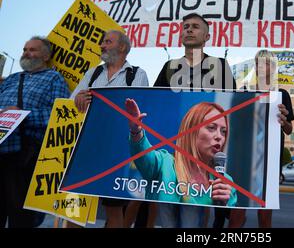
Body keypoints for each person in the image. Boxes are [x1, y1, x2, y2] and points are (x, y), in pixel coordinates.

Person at [153, 13, 237, 228]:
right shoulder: (169, 66)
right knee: (167, 216)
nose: (189, 29)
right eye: (186, 26)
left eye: (195, 27)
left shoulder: (219, 65)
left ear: (207, 36)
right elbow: (155, 101)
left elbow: (233, 104)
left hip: (200, 158)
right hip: (172, 150)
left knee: (193, 218)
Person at [71, 29, 149, 228]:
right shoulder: (93, 72)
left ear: (122, 47)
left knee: (114, 208)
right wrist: (79, 98)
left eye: (107, 41)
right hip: (86, 148)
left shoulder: (138, 74)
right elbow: (73, 102)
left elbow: (139, 110)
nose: (102, 45)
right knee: (74, 206)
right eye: (102, 41)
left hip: (117, 151)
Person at [125, 99, 237, 227]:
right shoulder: (165, 164)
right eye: (211, 128)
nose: (219, 137)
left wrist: (227, 204)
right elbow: (144, 156)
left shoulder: (225, 182)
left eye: (223, 131)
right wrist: (136, 131)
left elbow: (237, 218)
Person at [0, 36, 70, 228]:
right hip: (2, 147)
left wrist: (22, 115)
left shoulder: (54, 79)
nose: (26, 53)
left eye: (32, 50)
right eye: (24, 49)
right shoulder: (13, 78)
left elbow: (58, 117)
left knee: (20, 215)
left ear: (46, 56)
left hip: (24, 155)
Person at [228, 50, 294, 228]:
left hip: (270, 161)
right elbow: (234, 127)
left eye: (265, 62)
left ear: (273, 67)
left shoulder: (282, 94)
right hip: (243, 158)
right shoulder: (244, 91)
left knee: (265, 214)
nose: (260, 66)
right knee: (237, 214)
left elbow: (289, 130)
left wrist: (284, 119)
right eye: (257, 62)